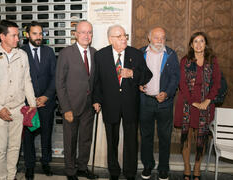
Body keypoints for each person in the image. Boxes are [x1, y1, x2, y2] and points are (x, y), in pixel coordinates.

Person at [93, 25, 152, 180]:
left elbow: (147, 75)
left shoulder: (136, 54)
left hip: (130, 105)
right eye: (119, 36)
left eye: (124, 35)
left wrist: (132, 73)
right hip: (109, 104)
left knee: (131, 141)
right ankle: (114, 171)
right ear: (110, 39)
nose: (124, 38)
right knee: (111, 141)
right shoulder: (101, 55)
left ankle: (130, 172)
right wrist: (96, 100)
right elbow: (97, 81)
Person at [0, 20, 36, 180]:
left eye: (17, 35)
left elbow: (27, 81)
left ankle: (11, 177)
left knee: (14, 148)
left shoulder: (22, 55)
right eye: (14, 35)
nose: (18, 39)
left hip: (18, 110)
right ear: (2, 37)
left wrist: (32, 104)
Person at [174, 32, 221, 180]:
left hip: (206, 104)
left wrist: (207, 101)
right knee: (186, 137)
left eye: (202, 41)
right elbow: (181, 83)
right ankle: (187, 167)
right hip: (187, 104)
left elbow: (217, 83)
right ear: (191, 44)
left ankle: (197, 168)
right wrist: (193, 102)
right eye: (196, 41)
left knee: (201, 137)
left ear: (206, 44)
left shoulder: (212, 61)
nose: (199, 44)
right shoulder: (185, 61)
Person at [56, 21, 97, 180]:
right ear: (75, 34)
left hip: (89, 106)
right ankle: (70, 171)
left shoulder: (94, 53)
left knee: (86, 140)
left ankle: (82, 167)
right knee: (70, 141)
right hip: (71, 107)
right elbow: (59, 83)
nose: (87, 36)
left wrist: (96, 100)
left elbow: (95, 80)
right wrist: (66, 108)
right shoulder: (66, 53)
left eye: (90, 32)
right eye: (83, 32)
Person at [139, 27, 180, 180]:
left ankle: (163, 168)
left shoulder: (170, 54)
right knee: (146, 135)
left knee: (164, 136)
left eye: (163, 38)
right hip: (145, 102)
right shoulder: (140, 53)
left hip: (165, 103)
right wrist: (139, 84)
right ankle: (148, 166)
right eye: (156, 37)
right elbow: (135, 73)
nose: (160, 41)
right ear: (149, 38)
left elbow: (175, 77)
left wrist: (167, 93)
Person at [21, 21, 56, 180]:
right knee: (28, 136)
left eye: (41, 33)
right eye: (35, 33)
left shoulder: (49, 52)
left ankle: (46, 162)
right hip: (27, 103)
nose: (38, 37)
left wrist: (46, 96)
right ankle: (29, 166)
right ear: (27, 34)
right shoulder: (20, 52)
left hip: (46, 102)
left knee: (46, 134)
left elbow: (55, 76)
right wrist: (31, 99)